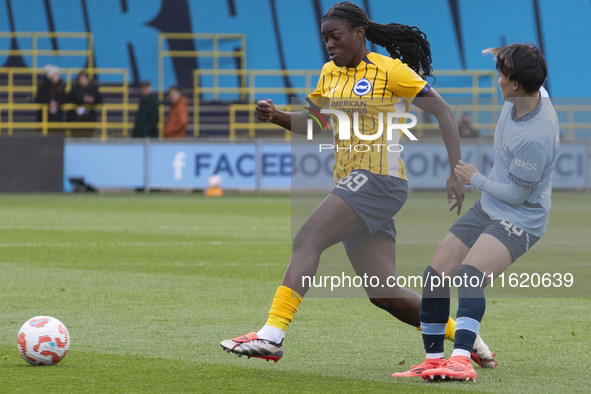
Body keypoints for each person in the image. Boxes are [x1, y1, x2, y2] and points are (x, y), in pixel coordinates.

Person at [220, 1, 494, 367]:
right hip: (355, 184)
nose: (330, 45)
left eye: (335, 36)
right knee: (384, 293)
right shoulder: (328, 75)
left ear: (358, 34)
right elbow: (316, 124)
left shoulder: (389, 71)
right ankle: (464, 334)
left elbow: (443, 111)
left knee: (307, 238)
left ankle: (272, 335)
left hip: (380, 180)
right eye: (325, 39)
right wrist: (277, 117)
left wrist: (455, 171)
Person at [393, 43, 559, 381]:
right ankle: (434, 360)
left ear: (514, 85)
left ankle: (462, 361)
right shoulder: (528, 91)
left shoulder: (538, 136)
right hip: (490, 207)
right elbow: (530, 59)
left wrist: (474, 179)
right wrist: (507, 52)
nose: (497, 79)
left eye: (502, 74)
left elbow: (516, 195)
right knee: (435, 275)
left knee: (469, 275)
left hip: (521, 217)